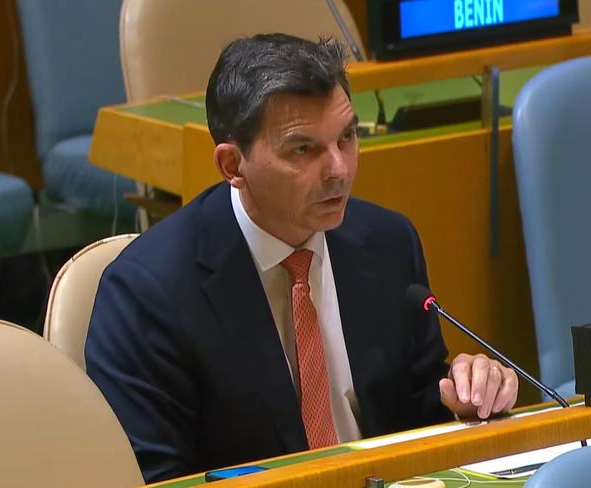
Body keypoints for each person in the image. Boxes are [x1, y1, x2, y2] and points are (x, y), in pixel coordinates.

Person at [85, 33, 518, 483]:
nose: (340, 169)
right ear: (233, 165)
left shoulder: (388, 244)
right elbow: (162, 478)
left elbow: (415, 408)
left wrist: (465, 400)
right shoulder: (148, 292)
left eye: (347, 137)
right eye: (303, 149)